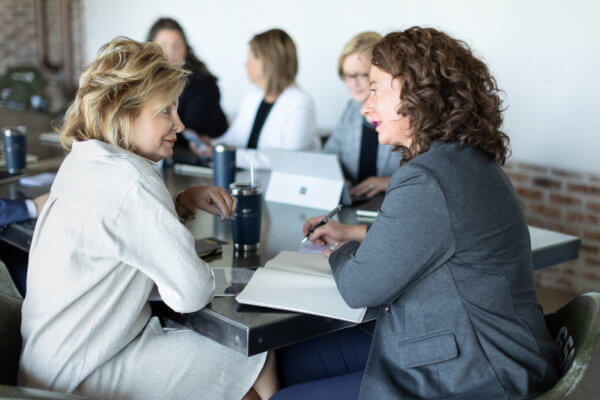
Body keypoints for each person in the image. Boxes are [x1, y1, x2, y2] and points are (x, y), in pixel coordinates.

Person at [274, 27, 560, 399]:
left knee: (283, 392)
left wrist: (340, 253)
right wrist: (352, 236)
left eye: (375, 88)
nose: (365, 105)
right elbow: (425, 239)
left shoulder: (428, 177)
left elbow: (360, 286)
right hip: (475, 345)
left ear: (418, 93)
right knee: (288, 363)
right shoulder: (459, 160)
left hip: (478, 371)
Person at [18, 37, 277, 400]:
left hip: (47, 366)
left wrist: (181, 204)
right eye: (166, 111)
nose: (180, 124)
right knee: (255, 357)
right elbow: (190, 293)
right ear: (125, 111)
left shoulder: (85, 161)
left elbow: (121, 231)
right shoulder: (131, 178)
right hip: (85, 372)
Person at [206, 28, 317, 156]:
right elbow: (234, 139)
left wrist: (227, 154)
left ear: (268, 61)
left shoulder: (300, 103)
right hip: (244, 173)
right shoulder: (253, 97)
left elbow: (288, 159)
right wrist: (211, 144)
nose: (246, 64)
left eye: (251, 58)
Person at [324, 32, 401, 198]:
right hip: (357, 202)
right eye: (348, 76)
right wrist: (340, 178)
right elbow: (329, 156)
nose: (353, 83)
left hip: (392, 200)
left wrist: (386, 181)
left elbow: (425, 170)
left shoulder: (402, 112)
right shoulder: (352, 109)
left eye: (362, 75)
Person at [147, 17, 228, 163]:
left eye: (177, 45)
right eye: (163, 45)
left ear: (185, 49)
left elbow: (184, 135)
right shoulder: (146, 83)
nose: (170, 52)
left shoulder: (202, 85)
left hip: (201, 161)